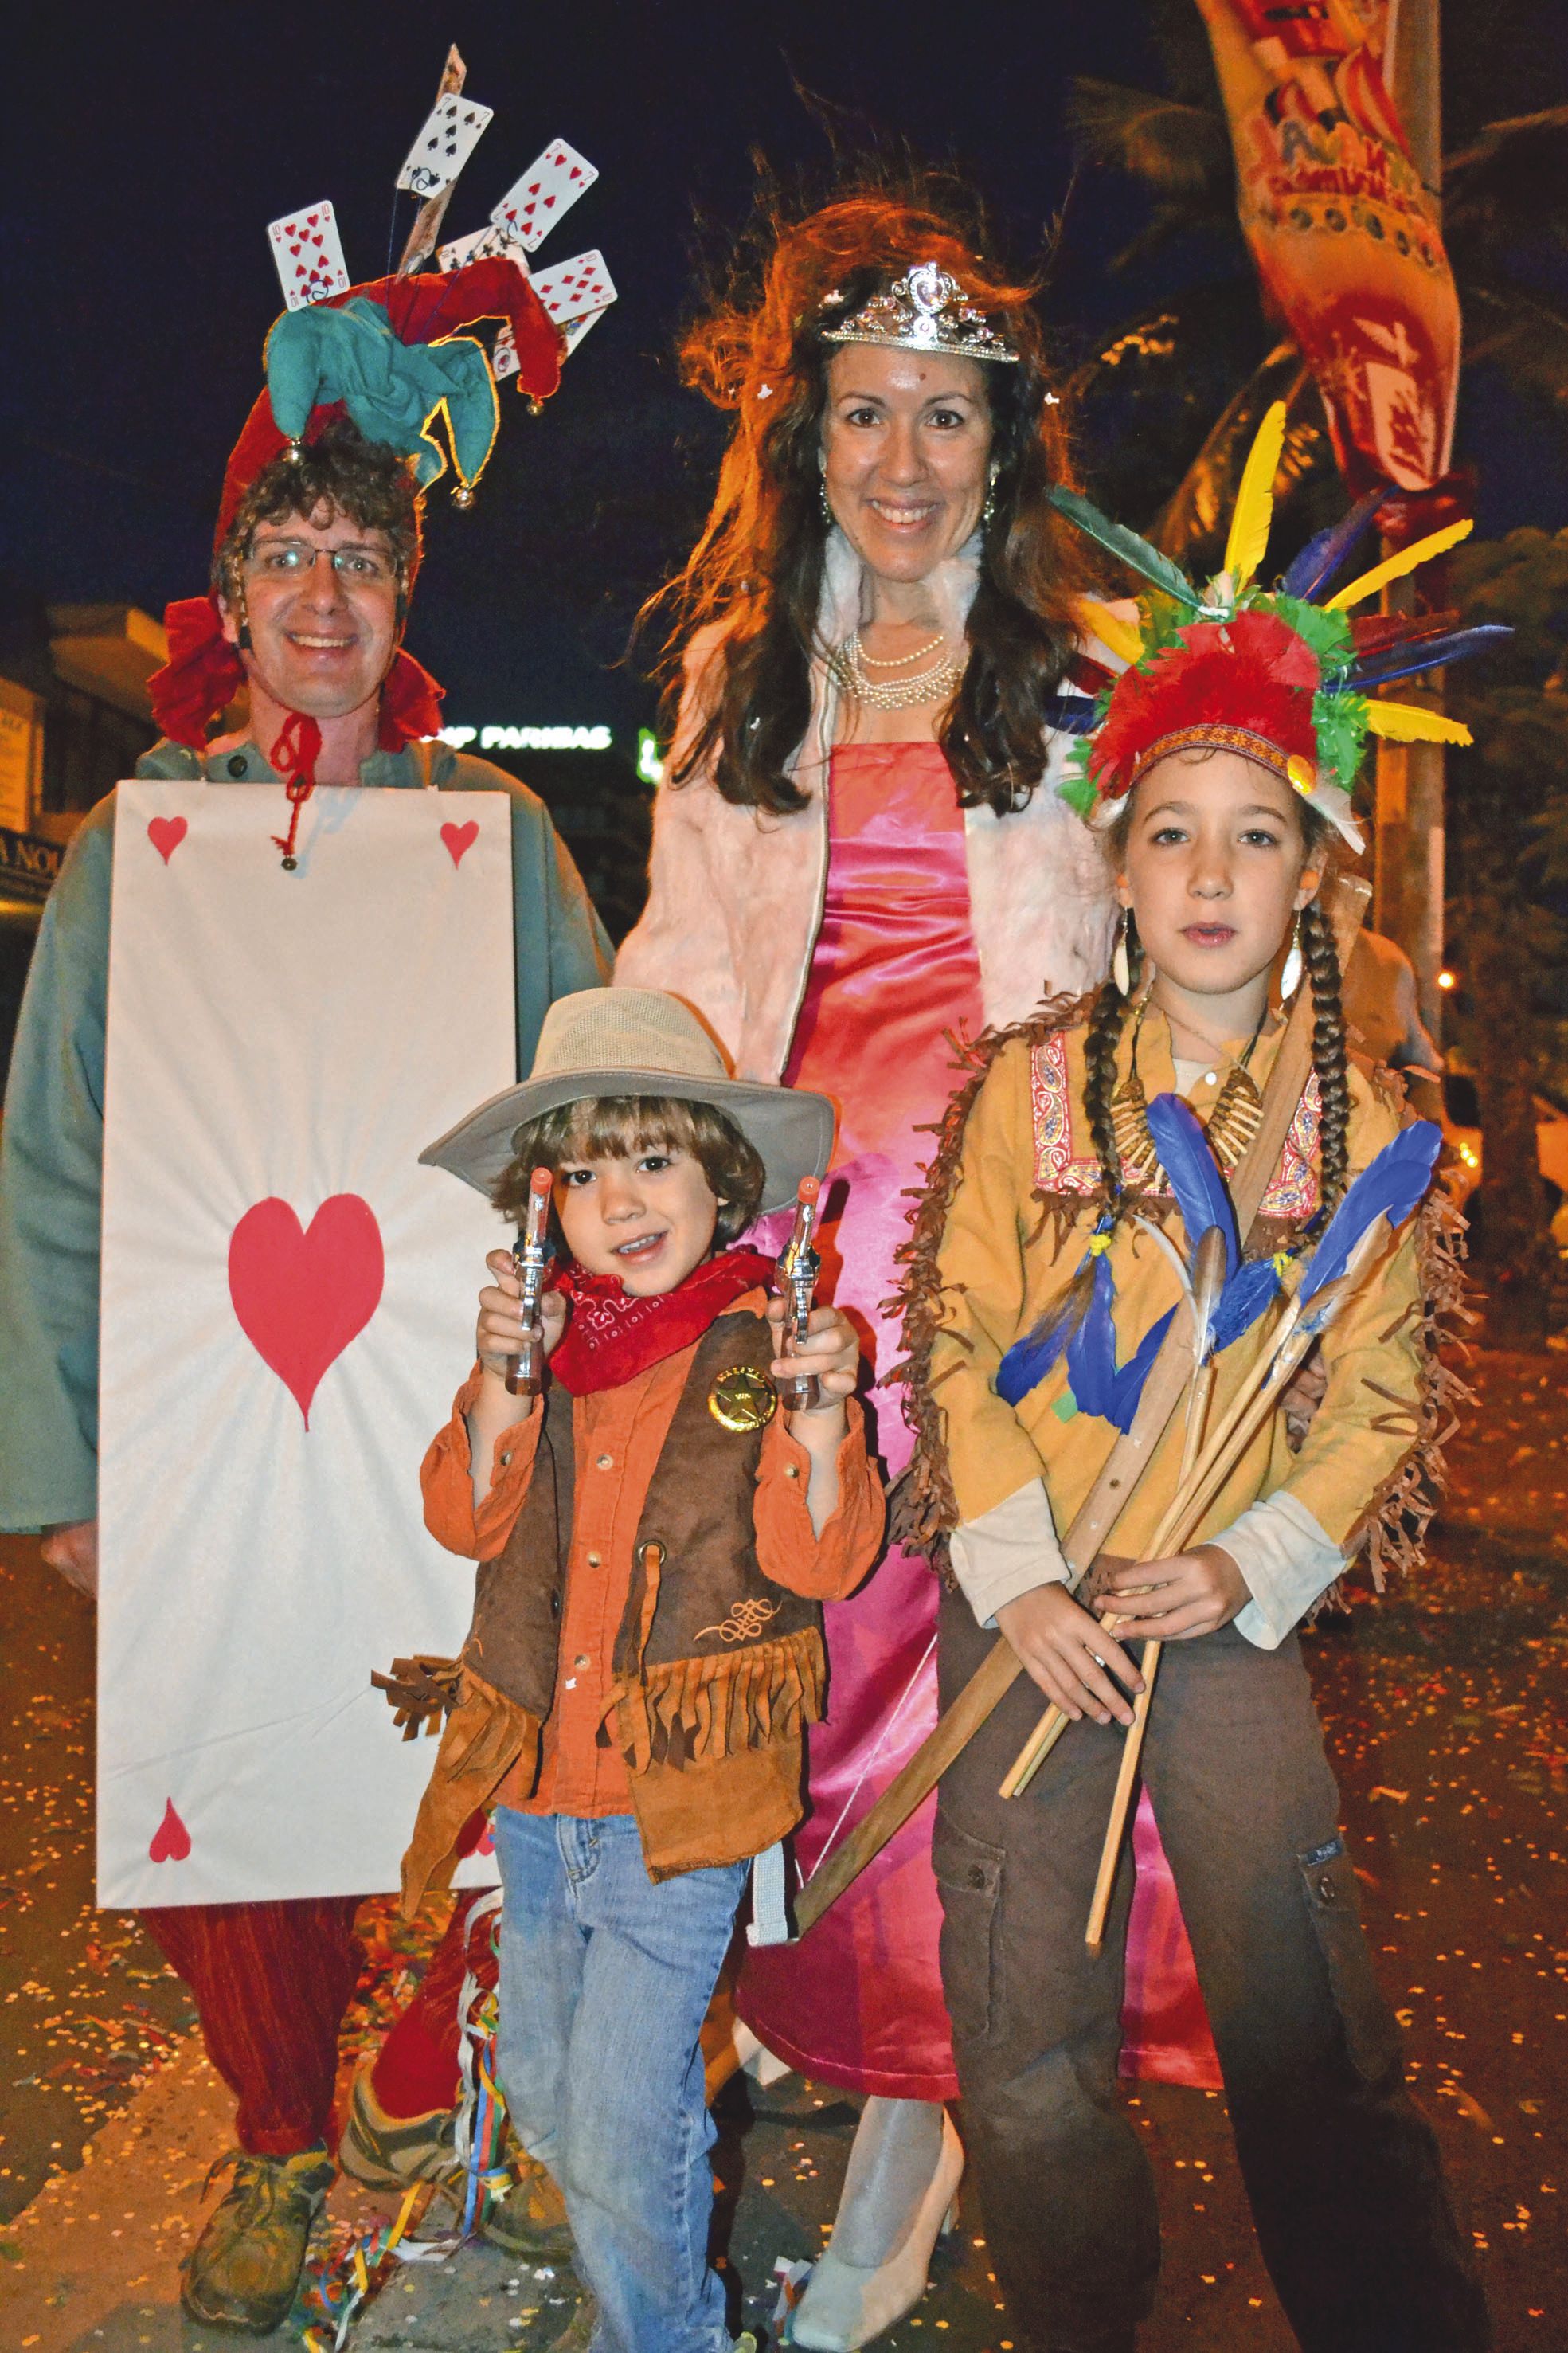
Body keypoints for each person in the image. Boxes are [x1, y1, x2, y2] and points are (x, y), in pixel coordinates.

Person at [0, 260, 610, 2331]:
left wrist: (584, 1379)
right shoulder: (132, 848)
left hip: (449, 1430)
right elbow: (55, 1170)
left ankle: (433, 2110)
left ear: (402, 588)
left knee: (456, 1781)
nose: (326, 591)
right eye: (290, 552)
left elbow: (598, 1131)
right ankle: (277, 2135)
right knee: (240, 1791)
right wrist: (62, 1465)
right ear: (233, 592)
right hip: (212, 1433)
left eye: (363, 550)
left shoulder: (500, 841)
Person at [897, 452, 1492, 2351]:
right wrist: (1025, 1580)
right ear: (1114, 855)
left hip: (1220, 1623)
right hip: (1034, 1627)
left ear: (1312, 868)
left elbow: (1379, 1390)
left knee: (1307, 2036)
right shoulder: (1026, 1087)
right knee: (1025, 2049)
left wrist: (1246, 1562)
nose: (1211, 873)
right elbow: (960, 1326)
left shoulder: (1369, 1135)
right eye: (1171, 831)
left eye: (1255, 834)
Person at [616, 188, 1136, 2344]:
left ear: (1001, 447)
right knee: (777, 1687)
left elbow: (1195, 949)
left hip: (1009, 1269)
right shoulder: (741, 681)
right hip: (791, 1255)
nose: (904, 459)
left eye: (945, 417)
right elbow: (674, 967)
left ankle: (903, 2170)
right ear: (804, 439)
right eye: (864, 416)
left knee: (966, 1727)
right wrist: (613, 1179)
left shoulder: (1086, 684)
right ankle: (783, 2020)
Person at [399, 985, 886, 2353]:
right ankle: (659, 2274)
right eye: (585, 1171)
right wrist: (500, 1380)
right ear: (541, 1203)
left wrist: (823, 1415)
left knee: (619, 2122)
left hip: (679, 1817)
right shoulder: (546, 1351)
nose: (621, 1199)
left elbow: (822, 1561)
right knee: (559, 2102)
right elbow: (463, 1518)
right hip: (539, 1808)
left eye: (654, 1159)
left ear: (722, 1178)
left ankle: (665, 2335)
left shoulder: (762, 1349)